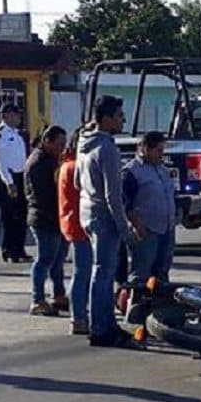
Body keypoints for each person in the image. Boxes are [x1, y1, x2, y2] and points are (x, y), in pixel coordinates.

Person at [76, 95, 144, 350]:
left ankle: (103, 324)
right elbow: (112, 195)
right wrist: (125, 228)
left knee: (99, 271)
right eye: (119, 116)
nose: (123, 120)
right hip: (104, 217)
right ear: (105, 119)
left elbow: (75, 182)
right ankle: (102, 329)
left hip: (87, 213)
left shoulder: (84, 144)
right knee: (104, 274)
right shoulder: (107, 149)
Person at [24, 125, 68, 316]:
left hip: (55, 217)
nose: (63, 148)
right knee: (45, 259)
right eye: (60, 144)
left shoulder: (50, 159)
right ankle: (37, 299)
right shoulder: (40, 162)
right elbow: (46, 195)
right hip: (44, 218)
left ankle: (58, 294)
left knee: (58, 259)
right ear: (47, 141)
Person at [123, 131, 176, 282]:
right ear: (145, 148)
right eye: (158, 150)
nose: (162, 154)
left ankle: (158, 304)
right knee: (141, 274)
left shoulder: (163, 170)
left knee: (162, 274)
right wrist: (138, 226)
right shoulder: (132, 171)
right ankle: (136, 304)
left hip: (166, 229)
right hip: (146, 231)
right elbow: (126, 203)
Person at [58, 127, 93, 335]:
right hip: (80, 225)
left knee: (83, 273)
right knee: (82, 274)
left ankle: (80, 314)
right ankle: (78, 316)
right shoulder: (75, 167)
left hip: (73, 224)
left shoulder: (68, 165)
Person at [0, 103, 30, 263]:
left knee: (21, 215)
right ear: (6, 115)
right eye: (15, 114)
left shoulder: (17, 134)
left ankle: (19, 249)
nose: (19, 117)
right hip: (6, 178)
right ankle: (9, 250)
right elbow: (0, 161)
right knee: (8, 217)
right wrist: (9, 182)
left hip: (19, 177)